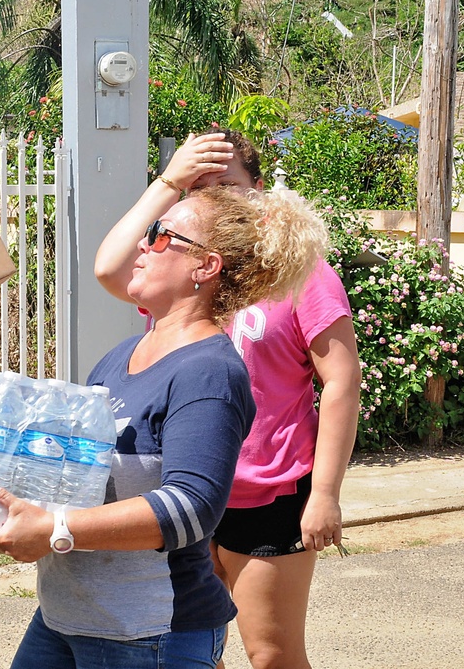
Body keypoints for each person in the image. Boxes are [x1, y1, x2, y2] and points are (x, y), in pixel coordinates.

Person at [0, 185, 328, 668]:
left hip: (148, 634)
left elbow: (191, 509)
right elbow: (70, 478)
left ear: (206, 267)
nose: (144, 245)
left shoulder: (209, 371)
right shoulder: (119, 359)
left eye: (161, 235)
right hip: (67, 617)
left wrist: (55, 530)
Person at [95, 129, 362, 669]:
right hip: (184, 488)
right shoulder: (183, 276)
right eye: (203, 189)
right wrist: (169, 181)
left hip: (265, 491)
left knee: (271, 655)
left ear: (258, 190)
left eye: (229, 186)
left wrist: (325, 494)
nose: (216, 198)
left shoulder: (300, 277)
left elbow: (341, 381)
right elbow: (109, 268)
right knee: (196, 649)